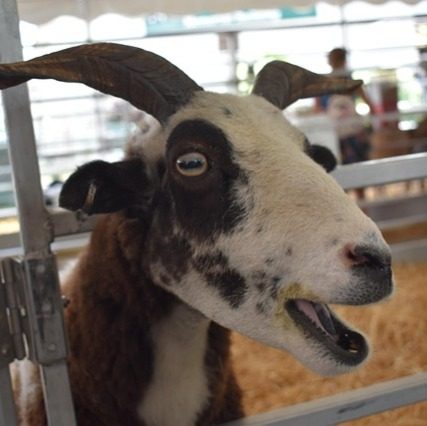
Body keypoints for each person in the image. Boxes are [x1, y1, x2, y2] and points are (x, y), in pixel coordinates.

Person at [316, 48, 374, 198]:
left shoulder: (347, 82)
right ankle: (355, 201)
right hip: (336, 134)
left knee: (353, 169)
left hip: (348, 134)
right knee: (340, 171)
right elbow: (317, 108)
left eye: (334, 59)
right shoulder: (325, 82)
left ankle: (361, 200)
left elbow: (317, 108)